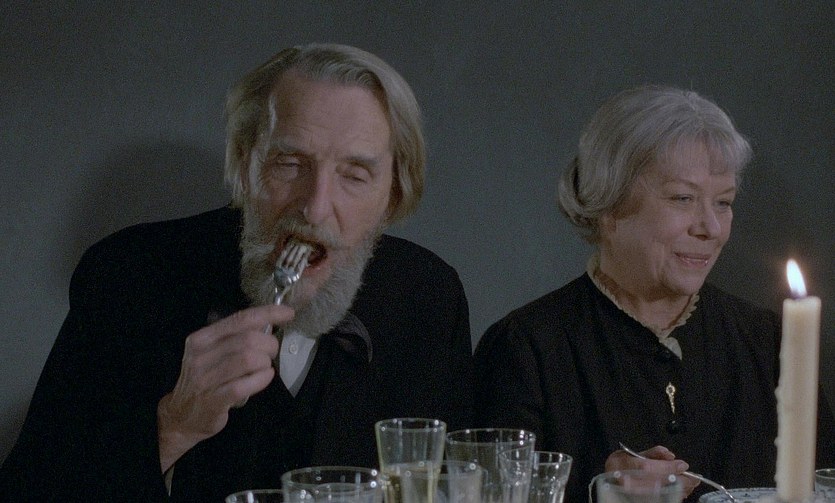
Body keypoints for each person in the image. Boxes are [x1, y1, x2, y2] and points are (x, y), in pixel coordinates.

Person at [0, 43, 475, 501]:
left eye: (354, 175)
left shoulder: (429, 298)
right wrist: (172, 426)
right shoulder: (128, 277)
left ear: (393, 195)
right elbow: (30, 491)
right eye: (290, 163)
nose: (314, 208)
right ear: (245, 165)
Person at [474, 85, 835, 502]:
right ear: (609, 206)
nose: (710, 228)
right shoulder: (525, 348)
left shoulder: (765, 340)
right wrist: (599, 495)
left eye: (723, 202)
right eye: (683, 199)